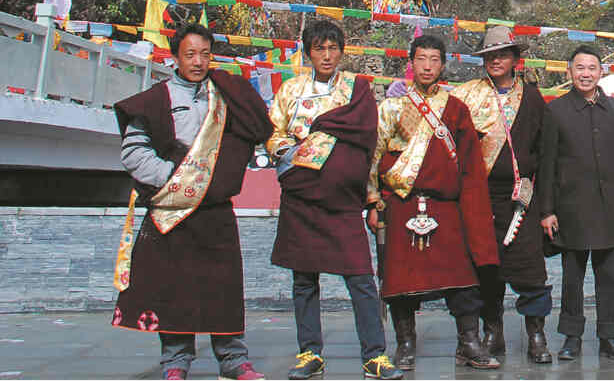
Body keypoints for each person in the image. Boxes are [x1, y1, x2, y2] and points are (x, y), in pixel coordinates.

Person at [113, 23, 271, 381]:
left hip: (215, 210)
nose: (198, 62)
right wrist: (176, 177)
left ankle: (233, 359)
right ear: (175, 57)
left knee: (223, 286)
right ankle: (175, 362)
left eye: (204, 54)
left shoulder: (226, 94)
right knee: (173, 288)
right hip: (174, 208)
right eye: (190, 54)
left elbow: (252, 132)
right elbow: (134, 153)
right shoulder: (156, 100)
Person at [267, 20, 400, 380]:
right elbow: (273, 132)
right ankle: (309, 352)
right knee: (304, 279)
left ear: (342, 51)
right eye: (319, 49)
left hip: (342, 199)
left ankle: (375, 355)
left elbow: (368, 142)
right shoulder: (291, 90)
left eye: (332, 48)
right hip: (301, 193)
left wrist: (371, 197)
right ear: (308, 52)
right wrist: (292, 152)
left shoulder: (356, 90)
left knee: (360, 277)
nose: (326, 56)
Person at [366, 34, 500, 371]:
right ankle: (406, 345)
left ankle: (468, 342)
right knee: (400, 280)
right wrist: (371, 201)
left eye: (435, 59)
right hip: (401, 203)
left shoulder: (454, 108)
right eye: (421, 58)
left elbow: (470, 163)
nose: (428, 66)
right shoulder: (392, 107)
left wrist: (474, 211)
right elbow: (373, 156)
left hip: (445, 206)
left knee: (463, 277)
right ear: (411, 62)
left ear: (443, 64)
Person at [449, 25, 554, 364]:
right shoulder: (468, 95)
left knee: (530, 269)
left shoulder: (533, 97)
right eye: (490, 55)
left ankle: (535, 334)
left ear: (514, 59)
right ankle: (491, 329)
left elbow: (547, 154)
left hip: (522, 197)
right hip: (480, 197)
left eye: (502, 55)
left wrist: (546, 205)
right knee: (486, 267)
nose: (496, 60)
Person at [539, 46, 614, 361]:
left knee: (609, 275)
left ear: (601, 72)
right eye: (579, 68)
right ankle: (572, 336)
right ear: (569, 72)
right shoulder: (556, 111)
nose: (586, 74)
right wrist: (548, 210)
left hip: (610, 206)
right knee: (572, 276)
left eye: (592, 68)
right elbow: (547, 164)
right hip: (572, 207)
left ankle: (610, 336)